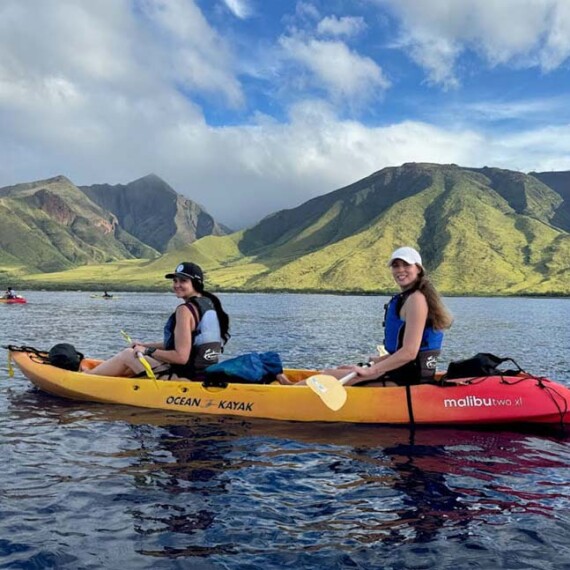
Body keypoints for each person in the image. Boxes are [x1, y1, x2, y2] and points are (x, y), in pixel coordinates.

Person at [279, 246, 452, 387]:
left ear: (418, 269)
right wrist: (377, 362)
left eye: (406, 265)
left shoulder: (416, 300)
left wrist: (370, 371)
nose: (400, 270)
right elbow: (404, 352)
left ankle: (285, 393)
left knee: (327, 377)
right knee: (338, 370)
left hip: (406, 379)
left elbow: (409, 353)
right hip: (403, 372)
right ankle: (289, 387)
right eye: (396, 265)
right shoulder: (411, 297)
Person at [86, 262, 230, 379]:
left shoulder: (185, 310)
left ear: (196, 284)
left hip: (184, 379)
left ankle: (85, 379)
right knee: (133, 354)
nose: (176, 285)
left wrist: (148, 350)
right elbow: (183, 344)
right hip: (203, 375)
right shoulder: (209, 304)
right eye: (175, 281)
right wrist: (143, 345)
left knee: (127, 354)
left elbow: (181, 357)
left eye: (183, 281)